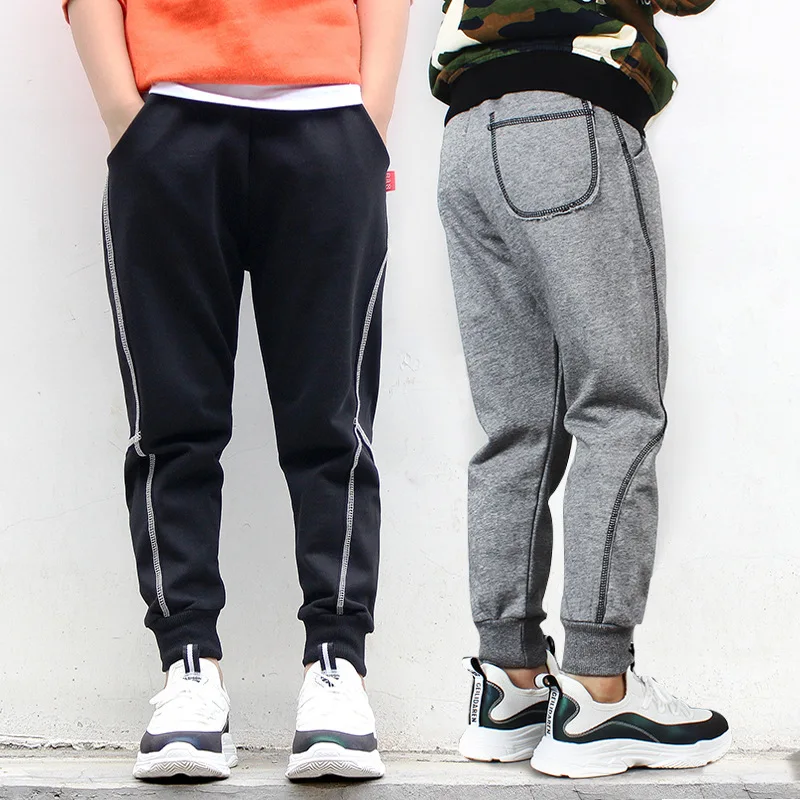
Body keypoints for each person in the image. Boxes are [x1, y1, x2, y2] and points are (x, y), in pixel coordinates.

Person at [64, 0, 409, 782]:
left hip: (328, 121)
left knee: (332, 423)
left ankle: (337, 667)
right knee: (171, 425)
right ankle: (188, 668)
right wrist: (127, 119)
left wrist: (370, 122)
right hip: (169, 124)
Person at [432, 0, 732, 778]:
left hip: (465, 134)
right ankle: (601, 692)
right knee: (618, 410)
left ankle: (512, 684)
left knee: (517, 428)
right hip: (569, 115)